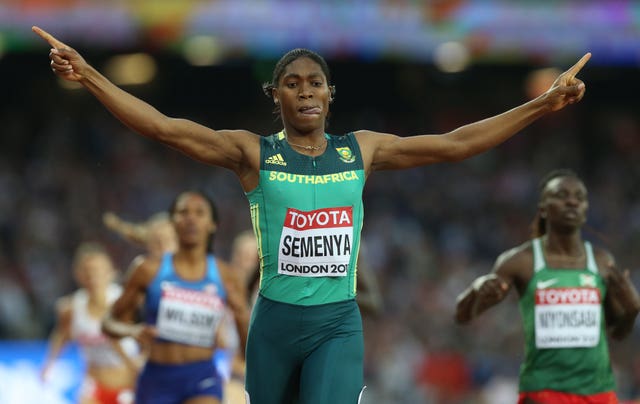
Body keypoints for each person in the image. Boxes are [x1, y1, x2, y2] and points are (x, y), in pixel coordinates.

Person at [33, 25, 590, 403]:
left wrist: (541, 104)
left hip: (336, 324)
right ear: (274, 94)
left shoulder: (361, 150)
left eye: (316, 83)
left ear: (330, 94)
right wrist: (89, 75)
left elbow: (456, 143)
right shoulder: (252, 154)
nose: (306, 92)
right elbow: (162, 127)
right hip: (274, 324)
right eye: (293, 84)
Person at [455, 169, 640, 404]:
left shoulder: (602, 262)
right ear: (543, 208)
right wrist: (476, 290)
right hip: (543, 393)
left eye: (579, 197)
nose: (572, 201)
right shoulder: (521, 261)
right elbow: (462, 316)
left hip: (598, 392)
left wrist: (632, 311)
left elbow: (617, 333)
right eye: (561, 195)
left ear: (586, 209)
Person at [101, 190, 250, 404]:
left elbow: (245, 343)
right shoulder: (147, 270)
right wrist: (132, 330)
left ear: (212, 224)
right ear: (173, 222)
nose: (191, 218)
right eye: (183, 212)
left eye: (200, 213)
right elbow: (108, 323)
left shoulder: (225, 275)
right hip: (157, 379)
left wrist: (243, 319)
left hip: (202, 376)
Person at [41, 242, 140, 404]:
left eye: (97, 270)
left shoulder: (123, 302)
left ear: (110, 272)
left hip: (126, 385)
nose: (92, 277)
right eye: (87, 271)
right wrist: (49, 364)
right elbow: (62, 334)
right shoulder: (71, 308)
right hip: (94, 383)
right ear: (78, 275)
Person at [103, 211, 178, 259]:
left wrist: (117, 225)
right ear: (148, 245)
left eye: (168, 240)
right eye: (156, 242)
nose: (163, 246)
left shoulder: (187, 272)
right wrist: (118, 225)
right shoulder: (141, 273)